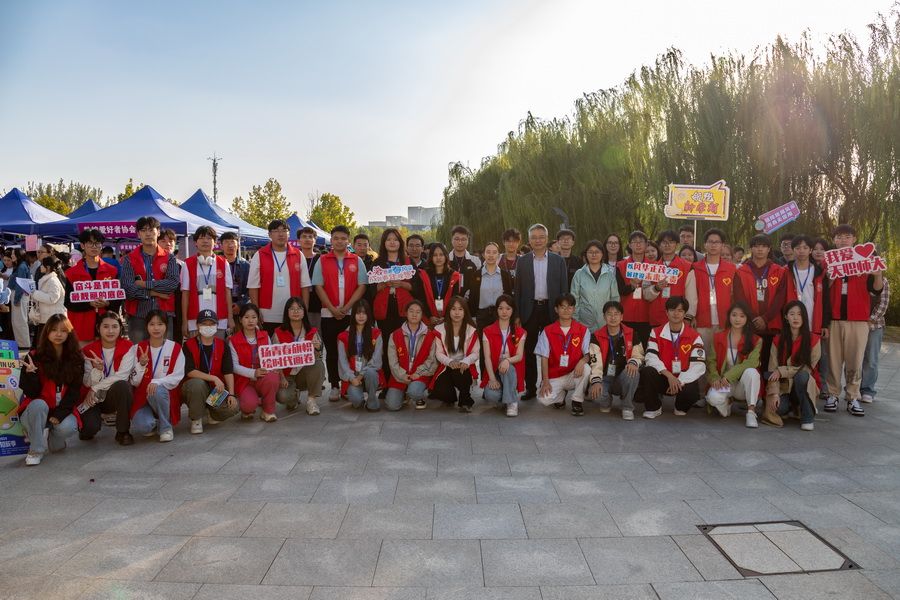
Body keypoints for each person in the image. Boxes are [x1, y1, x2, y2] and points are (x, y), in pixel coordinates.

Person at [824, 224, 884, 416]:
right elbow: (822, 288)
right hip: (834, 318)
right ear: (834, 240)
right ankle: (832, 394)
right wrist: (832, 274)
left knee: (855, 360)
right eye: (839, 237)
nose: (843, 240)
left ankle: (853, 396)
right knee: (833, 360)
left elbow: (876, 289)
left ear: (854, 239)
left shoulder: (866, 259)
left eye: (847, 236)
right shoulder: (828, 260)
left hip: (858, 319)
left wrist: (878, 275)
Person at [17, 314, 84, 466]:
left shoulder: (76, 358)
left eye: (63, 330)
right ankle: (36, 450)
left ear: (69, 333)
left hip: (61, 409)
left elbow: (74, 392)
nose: (58, 334)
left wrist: (60, 414)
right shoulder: (34, 356)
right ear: (46, 332)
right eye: (54, 330)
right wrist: (32, 375)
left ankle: (54, 438)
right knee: (39, 405)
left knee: (67, 429)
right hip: (36, 410)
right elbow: (32, 394)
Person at [313, 225, 369, 401]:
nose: (339, 241)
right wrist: (332, 308)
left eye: (343, 238)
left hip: (351, 314)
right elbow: (318, 286)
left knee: (351, 350)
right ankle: (335, 385)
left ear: (348, 241)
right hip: (328, 313)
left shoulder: (356, 260)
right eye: (336, 238)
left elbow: (362, 286)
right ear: (331, 240)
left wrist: (347, 307)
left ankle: (348, 384)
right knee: (332, 351)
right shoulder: (322, 260)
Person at [515, 224, 569, 399]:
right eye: (534, 237)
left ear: (547, 238)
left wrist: (563, 313)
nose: (537, 240)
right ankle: (530, 387)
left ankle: (554, 386)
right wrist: (517, 315)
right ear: (529, 240)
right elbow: (518, 290)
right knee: (529, 350)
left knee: (553, 350)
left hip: (550, 310)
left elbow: (564, 289)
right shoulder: (522, 261)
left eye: (541, 237)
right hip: (529, 311)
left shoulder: (558, 261)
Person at [637, 296, 706, 418]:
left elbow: (698, 366)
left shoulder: (695, 336)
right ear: (667, 312)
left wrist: (679, 381)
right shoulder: (656, 332)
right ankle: (654, 407)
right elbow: (650, 357)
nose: (676, 313)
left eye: (680, 310)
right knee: (647, 371)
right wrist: (669, 376)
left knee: (692, 391)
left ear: (684, 314)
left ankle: (680, 406)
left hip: (683, 380)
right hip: (664, 377)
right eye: (672, 310)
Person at [119, 216, 179, 342]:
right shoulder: (129, 259)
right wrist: (154, 293)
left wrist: (144, 284)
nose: (148, 234)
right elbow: (129, 290)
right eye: (143, 230)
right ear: (138, 234)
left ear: (158, 232)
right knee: (139, 352)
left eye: (151, 230)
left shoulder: (169, 258)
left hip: (164, 314)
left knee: (164, 352)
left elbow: (172, 284)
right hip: (138, 315)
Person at [128, 309, 184, 441]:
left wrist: (157, 382)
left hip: (163, 395)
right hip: (142, 397)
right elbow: (134, 381)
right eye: (152, 324)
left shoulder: (175, 348)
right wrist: (141, 365)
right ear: (146, 326)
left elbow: (177, 376)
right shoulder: (137, 348)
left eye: (160, 324)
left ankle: (165, 428)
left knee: (157, 390)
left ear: (166, 326)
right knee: (144, 427)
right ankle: (155, 422)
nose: (156, 328)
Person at [704, 302, 762, 427]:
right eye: (734, 315)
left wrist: (729, 376)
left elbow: (751, 362)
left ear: (747, 318)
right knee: (713, 398)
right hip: (724, 383)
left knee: (752, 372)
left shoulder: (756, 340)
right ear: (729, 316)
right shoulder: (719, 337)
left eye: (742, 316)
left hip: (742, 385)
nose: (737, 319)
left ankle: (751, 412)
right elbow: (711, 360)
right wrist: (714, 377)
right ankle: (728, 402)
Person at [248, 219, 311, 334]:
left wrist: (304, 311)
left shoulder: (298, 254)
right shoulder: (260, 255)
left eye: (284, 230)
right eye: (276, 231)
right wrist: (255, 311)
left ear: (289, 234)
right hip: (267, 314)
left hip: (294, 314)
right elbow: (253, 287)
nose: (281, 234)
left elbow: (305, 286)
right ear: (269, 234)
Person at [81, 312, 135, 445]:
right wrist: (97, 371)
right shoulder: (88, 350)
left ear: (120, 328)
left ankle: (123, 431)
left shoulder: (128, 347)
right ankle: (87, 425)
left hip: (112, 394)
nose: (110, 331)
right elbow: (86, 383)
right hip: (93, 398)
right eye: (105, 326)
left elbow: (122, 375)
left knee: (123, 385)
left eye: (114, 326)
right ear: (98, 328)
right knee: (89, 430)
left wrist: (95, 388)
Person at [766, 301, 821, 430]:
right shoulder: (778, 340)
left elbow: (807, 368)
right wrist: (774, 393)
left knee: (802, 376)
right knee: (778, 409)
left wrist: (782, 371)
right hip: (784, 386)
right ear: (786, 317)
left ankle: (807, 417)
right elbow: (772, 369)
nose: (796, 318)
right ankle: (793, 407)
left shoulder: (814, 340)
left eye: (799, 314)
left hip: (805, 384)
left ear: (804, 317)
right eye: (792, 314)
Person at [182, 309, 239, 434]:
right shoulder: (188, 345)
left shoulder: (222, 345)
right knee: (197, 384)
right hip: (195, 389)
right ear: (197, 325)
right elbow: (189, 371)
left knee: (233, 408)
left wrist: (231, 394)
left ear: (217, 326)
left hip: (215, 390)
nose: (208, 327)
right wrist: (214, 378)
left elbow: (228, 371)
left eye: (212, 324)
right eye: (204, 324)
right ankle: (196, 418)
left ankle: (211, 412)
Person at [733, 234, 786, 369]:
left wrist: (765, 318)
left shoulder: (779, 271)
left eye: (763, 246)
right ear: (751, 249)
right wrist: (753, 318)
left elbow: (780, 298)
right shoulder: (741, 271)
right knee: (750, 363)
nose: (760, 249)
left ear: (769, 249)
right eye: (756, 246)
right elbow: (739, 298)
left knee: (770, 363)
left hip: (772, 325)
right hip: (749, 324)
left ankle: (768, 383)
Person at [587, 301, 643, 420]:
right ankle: (606, 400)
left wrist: (633, 362)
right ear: (604, 316)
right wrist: (596, 381)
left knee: (633, 372)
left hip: (623, 377)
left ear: (622, 316)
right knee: (599, 398)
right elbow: (595, 362)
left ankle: (627, 407)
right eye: (609, 314)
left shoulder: (631, 333)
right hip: (604, 378)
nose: (613, 317)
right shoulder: (596, 336)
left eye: (616, 314)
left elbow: (638, 354)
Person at [536, 294, 591, 414]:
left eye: (569, 307)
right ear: (556, 309)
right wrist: (545, 382)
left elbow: (587, 354)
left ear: (574, 309)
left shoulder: (583, 330)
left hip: (573, 373)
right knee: (543, 399)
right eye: (563, 307)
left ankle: (577, 401)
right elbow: (544, 358)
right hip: (555, 375)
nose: (566, 310)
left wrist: (582, 361)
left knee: (586, 369)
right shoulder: (547, 331)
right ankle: (561, 396)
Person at [371, 228, 413, 382]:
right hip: (385, 309)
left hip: (404, 309)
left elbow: (416, 287)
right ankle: (388, 381)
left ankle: (404, 381)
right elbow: (370, 289)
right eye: (389, 239)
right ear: (384, 243)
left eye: (395, 239)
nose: (392, 242)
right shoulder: (377, 263)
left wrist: (401, 284)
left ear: (400, 242)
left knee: (404, 344)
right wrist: (383, 284)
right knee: (386, 344)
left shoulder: (408, 262)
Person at [65, 229, 120, 347]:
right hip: (81, 327)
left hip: (107, 328)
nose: (94, 246)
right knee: (83, 357)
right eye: (90, 243)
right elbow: (68, 303)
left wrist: (107, 303)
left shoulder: (112, 271)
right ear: (82, 245)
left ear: (101, 246)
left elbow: (118, 299)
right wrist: (89, 303)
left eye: (97, 243)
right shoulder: (72, 273)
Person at [181, 226, 234, 339]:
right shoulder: (188, 264)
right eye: (201, 238)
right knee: (196, 349)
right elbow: (185, 294)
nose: (205, 241)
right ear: (195, 242)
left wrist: (230, 318)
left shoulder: (223, 263)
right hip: (194, 320)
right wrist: (184, 321)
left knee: (218, 348)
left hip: (220, 319)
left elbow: (227, 292)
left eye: (209, 238)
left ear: (215, 242)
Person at [274, 297, 325, 415]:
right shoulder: (278, 332)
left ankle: (311, 400)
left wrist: (318, 347)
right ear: (287, 312)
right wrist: (281, 377)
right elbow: (274, 359)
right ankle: (294, 396)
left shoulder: (312, 331)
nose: (296, 311)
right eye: (292, 309)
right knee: (283, 397)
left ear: (304, 312)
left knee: (318, 364)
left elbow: (318, 356)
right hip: (287, 375)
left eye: (299, 308)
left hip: (303, 372)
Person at [687, 228, 736, 353]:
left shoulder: (731, 269)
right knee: (701, 355)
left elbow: (735, 295)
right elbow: (691, 296)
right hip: (701, 321)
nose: (713, 245)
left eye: (717, 242)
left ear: (722, 245)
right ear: (705, 245)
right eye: (710, 242)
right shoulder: (695, 268)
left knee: (722, 356)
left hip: (725, 321)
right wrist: (691, 316)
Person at [229, 303, 280, 421]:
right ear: (240, 320)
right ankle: (250, 405)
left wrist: (274, 367)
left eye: (254, 317)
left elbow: (271, 358)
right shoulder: (234, 340)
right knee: (248, 405)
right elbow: (234, 366)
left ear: (258, 319)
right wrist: (253, 373)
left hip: (263, 377)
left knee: (273, 377)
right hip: (244, 381)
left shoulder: (265, 336)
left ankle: (268, 411)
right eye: (246, 317)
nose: (250, 320)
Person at [386, 300, 438, 410]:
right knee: (392, 406)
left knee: (414, 392)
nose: (414, 314)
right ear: (406, 313)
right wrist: (402, 375)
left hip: (420, 375)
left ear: (422, 315)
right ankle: (405, 394)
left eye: (418, 312)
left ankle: (417, 396)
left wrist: (418, 373)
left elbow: (432, 360)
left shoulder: (430, 335)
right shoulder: (395, 335)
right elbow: (392, 361)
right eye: (411, 311)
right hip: (400, 376)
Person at [432, 296, 480, 412]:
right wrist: (449, 362)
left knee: (462, 374)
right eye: (453, 309)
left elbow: (475, 353)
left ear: (465, 311)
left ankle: (465, 401)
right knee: (442, 392)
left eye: (460, 309)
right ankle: (451, 397)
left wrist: (466, 361)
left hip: (464, 366)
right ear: (448, 311)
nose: (457, 313)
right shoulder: (440, 329)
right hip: (446, 366)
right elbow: (438, 353)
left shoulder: (471, 330)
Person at [481, 294, 526, 417]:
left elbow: (519, 356)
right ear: (496, 310)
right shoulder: (487, 331)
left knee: (508, 367)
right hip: (495, 370)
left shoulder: (520, 332)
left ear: (513, 310)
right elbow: (487, 357)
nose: (504, 312)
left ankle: (512, 402)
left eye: (508, 308)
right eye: (501, 308)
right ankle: (507, 395)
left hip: (512, 370)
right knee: (491, 395)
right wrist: (492, 378)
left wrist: (507, 360)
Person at [338, 299, 385, 411]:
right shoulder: (343, 336)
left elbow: (376, 360)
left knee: (371, 372)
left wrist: (361, 375)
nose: (361, 316)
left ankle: (372, 400)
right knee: (356, 401)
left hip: (368, 373)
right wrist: (352, 378)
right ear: (353, 315)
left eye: (364, 313)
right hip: (353, 376)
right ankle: (359, 397)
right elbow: (342, 362)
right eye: (358, 313)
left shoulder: (376, 334)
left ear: (368, 315)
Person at [644, 230, 695, 329]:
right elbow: (646, 295)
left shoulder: (687, 267)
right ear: (659, 245)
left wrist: (688, 317)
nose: (667, 245)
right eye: (664, 242)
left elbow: (691, 296)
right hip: (657, 318)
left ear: (676, 244)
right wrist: (656, 288)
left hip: (679, 318)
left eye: (671, 242)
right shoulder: (651, 268)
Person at [571, 240, 619, 332]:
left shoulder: (609, 274)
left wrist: (613, 318)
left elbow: (615, 298)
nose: (594, 255)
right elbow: (574, 299)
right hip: (584, 323)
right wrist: (575, 320)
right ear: (586, 254)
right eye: (590, 252)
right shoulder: (579, 274)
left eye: (597, 252)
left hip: (605, 322)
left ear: (602, 254)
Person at [615, 231, 653, 347]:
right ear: (630, 245)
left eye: (641, 242)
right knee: (626, 348)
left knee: (646, 348)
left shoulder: (654, 266)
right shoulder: (621, 265)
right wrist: (631, 286)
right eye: (634, 242)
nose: (638, 244)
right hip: (626, 315)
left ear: (646, 245)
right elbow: (619, 290)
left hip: (647, 315)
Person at [466, 242, 513, 330]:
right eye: (488, 252)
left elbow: (509, 297)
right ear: (483, 255)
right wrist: (473, 317)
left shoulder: (505, 275)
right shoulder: (476, 275)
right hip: (481, 316)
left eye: (494, 252)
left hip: (500, 315)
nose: (491, 255)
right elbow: (472, 297)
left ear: (498, 255)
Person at [415, 242, 462, 327]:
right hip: (427, 318)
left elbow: (455, 298)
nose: (438, 258)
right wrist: (430, 316)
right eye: (435, 255)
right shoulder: (423, 275)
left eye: (441, 254)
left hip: (448, 318)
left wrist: (446, 317)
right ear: (431, 257)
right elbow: (421, 298)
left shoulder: (454, 275)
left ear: (446, 256)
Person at [861, 278, 889, 404]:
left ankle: (867, 390)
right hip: (856, 324)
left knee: (871, 359)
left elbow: (883, 304)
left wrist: (869, 320)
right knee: (854, 358)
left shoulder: (882, 280)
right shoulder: (856, 276)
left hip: (875, 326)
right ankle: (853, 388)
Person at [29, 256, 67, 341]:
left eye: (42, 265)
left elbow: (52, 298)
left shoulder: (53, 280)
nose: (40, 267)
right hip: (47, 317)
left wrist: (35, 293)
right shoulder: (48, 279)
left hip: (52, 318)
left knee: (48, 342)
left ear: (48, 267)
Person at [220, 231, 251, 318]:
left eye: (232, 242)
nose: (230, 245)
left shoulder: (246, 266)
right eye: (226, 242)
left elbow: (250, 289)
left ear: (238, 245)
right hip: (221, 307)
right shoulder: (216, 265)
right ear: (221, 246)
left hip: (241, 308)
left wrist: (240, 304)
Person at [298, 226, 322, 330]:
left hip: (317, 304)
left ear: (315, 240)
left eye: (310, 237)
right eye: (304, 236)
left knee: (316, 334)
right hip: (297, 303)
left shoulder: (321, 259)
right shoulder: (294, 257)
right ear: (299, 241)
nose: (307, 239)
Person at [9, 249, 32, 350]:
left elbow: (20, 284)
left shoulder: (22, 266)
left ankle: (24, 344)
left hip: (19, 295)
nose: (12, 255)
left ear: (18, 255)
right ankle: (21, 344)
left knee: (20, 321)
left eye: (13, 254)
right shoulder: (21, 265)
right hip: (19, 295)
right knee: (18, 321)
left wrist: (16, 299)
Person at [448, 225, 482, 291]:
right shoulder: (445, 260)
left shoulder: (476, 261)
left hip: (470, 296)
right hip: (449, 296)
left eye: (463, 239)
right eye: (457, 239)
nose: (460, 242)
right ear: (452, 240)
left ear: (468, 241)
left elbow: (478, 283)